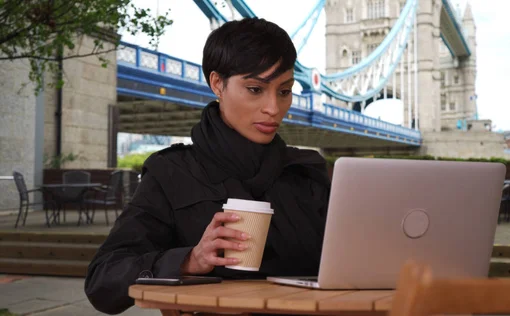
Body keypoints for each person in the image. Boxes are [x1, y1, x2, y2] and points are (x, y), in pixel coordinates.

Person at [84, 17, 331, 314]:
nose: (273, 108)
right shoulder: (171, 173)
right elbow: (102, 281)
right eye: (255, 89)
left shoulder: (308, 171)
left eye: (284, 90)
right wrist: (190, 260)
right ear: (217, 84)